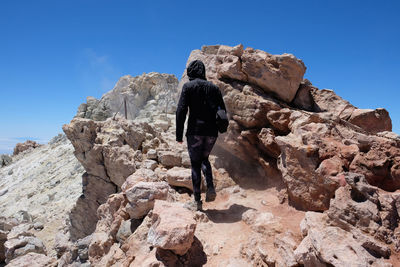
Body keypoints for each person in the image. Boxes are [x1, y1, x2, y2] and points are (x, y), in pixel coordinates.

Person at [176, 60, 226, 211]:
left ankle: (197, 201)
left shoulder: (188, 87)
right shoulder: (215, 88)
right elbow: (222, 110)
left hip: (195, 132)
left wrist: (179, 135)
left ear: (191, 72)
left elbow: (181, 111)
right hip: (211, 133)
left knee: (195, 164)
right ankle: (210, 187)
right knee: (204, 159)